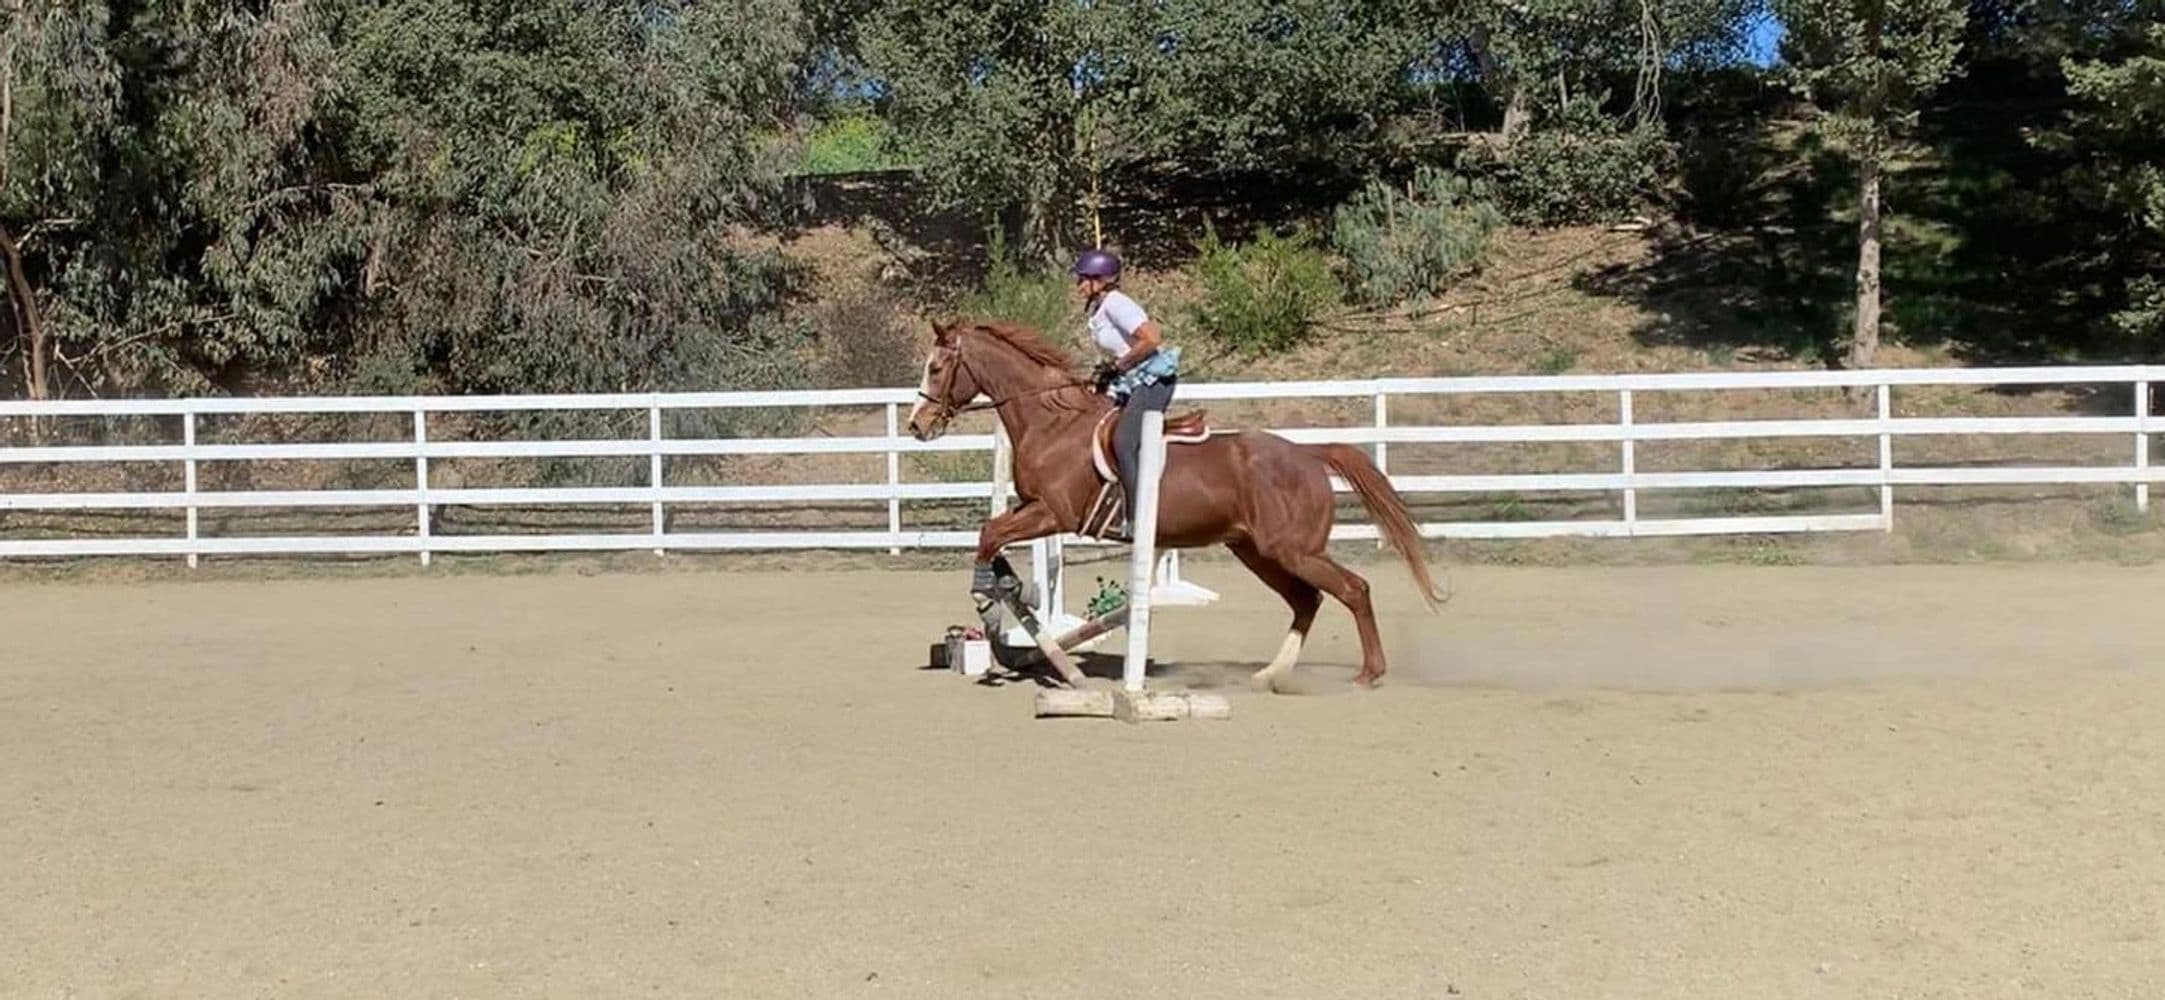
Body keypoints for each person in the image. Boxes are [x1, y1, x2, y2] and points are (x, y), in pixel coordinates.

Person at [1073, 248, 1179, 540]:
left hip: (1151, 382)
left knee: (1123, 442)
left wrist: (1118, 365)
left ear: (1100, 280)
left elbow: (1152, 338)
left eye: (1082, 279)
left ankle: (1136, 517)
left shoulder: (1117, 304)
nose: (1078, 285)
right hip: (1129, 382)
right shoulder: (1101, 308)